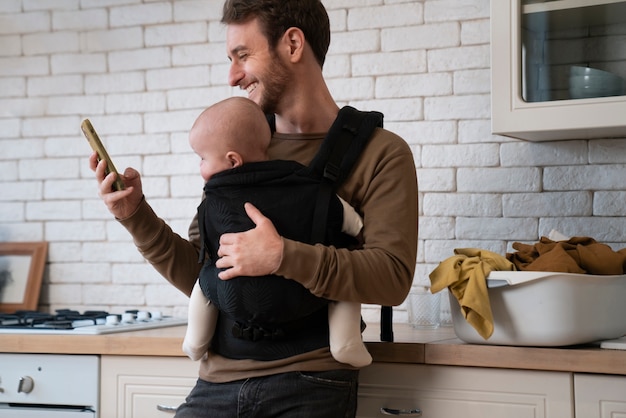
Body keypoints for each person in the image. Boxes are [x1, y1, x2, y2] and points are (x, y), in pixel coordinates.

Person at [90, 0, 418, 416]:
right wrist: (135, 216)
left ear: (293, 44)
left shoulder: (380, 153)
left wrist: (283, 256)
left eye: (243, 55)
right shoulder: (239, 150)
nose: (232, 76)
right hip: (213, 385)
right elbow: (205, 273)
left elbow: (391, 278)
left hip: (311, 384)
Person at [182, 96, 372, 368]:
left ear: (233, 161)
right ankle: (345, 342)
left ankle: (195, 340)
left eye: (201, 159)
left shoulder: (212, 203)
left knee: (205, 279)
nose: (200, 167)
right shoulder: (303, 183)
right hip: (305, 295)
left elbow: (201, 256)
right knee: (341, 277)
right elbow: (335, 209)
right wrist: (358, 229)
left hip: (231, 293)